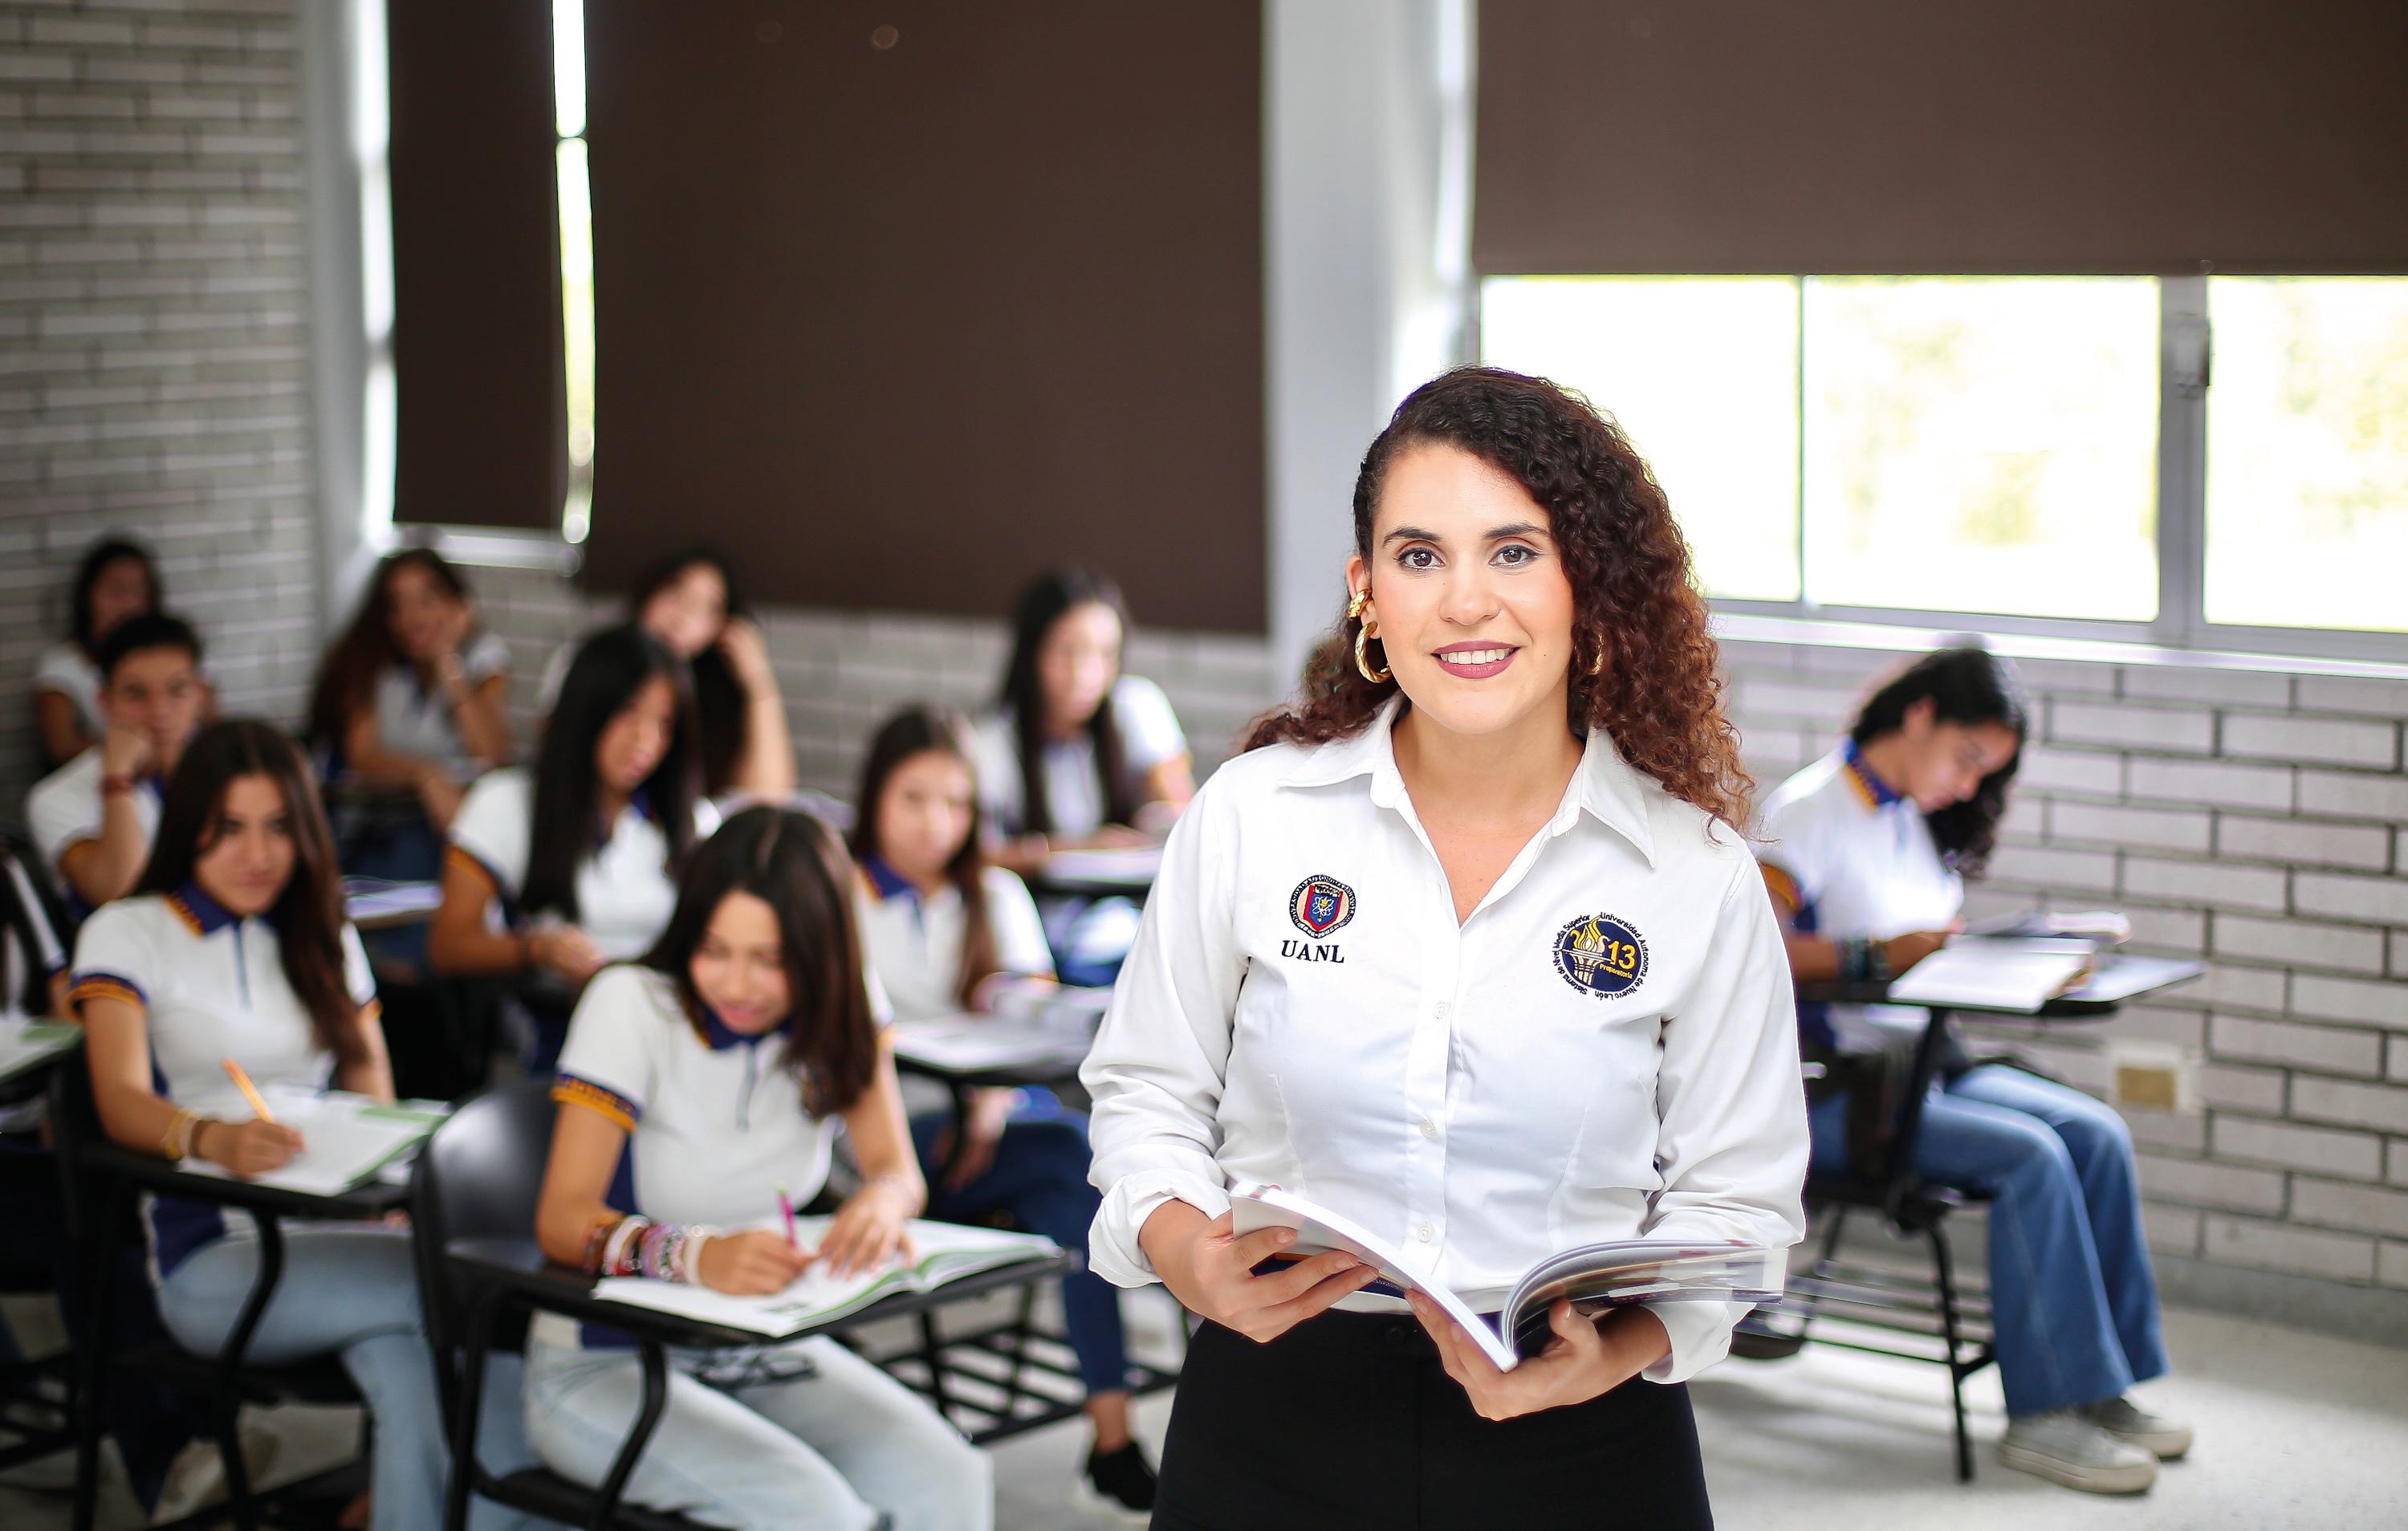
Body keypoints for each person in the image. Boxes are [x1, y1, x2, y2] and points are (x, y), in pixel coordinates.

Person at [1080, 367, 1808, 1529]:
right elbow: (1147, 1089)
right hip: (1269, 1410)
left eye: (1514, 551)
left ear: (1588, 585)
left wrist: (1619, 1349)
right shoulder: (1254, 815)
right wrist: (1179, 1248)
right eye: (1420, 556)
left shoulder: (1697, 876)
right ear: (1367, 592)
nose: (1467, 600)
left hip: (1587, 1431)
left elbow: (1742, 1203)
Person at [67, 719, 534, 1531]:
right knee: (458, 1287)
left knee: (409, 1363)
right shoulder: (127, 930)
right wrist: (211, 1138)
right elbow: (119, 1098)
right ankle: (522, 1516)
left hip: (337, 1238)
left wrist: (388, 1189)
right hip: (215, 1260)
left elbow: (371, 1083)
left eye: (280, 827)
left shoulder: (319, 927)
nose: (258, 854)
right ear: (190, 826)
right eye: (231, 828)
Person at [1755, 645, 2188, 1494]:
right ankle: (2045, 1413)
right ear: (1920, 716)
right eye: (1967, 757)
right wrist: (1877, 953)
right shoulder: (1808, 811)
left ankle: (2103, 1386)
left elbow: (1931, 950)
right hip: (1839, 1092)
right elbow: (1752, 946)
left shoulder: (1909, 819)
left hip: (1926, 1068)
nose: (1967, 784)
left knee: (2097, 1133)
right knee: (2033, 1156)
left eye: (1984, 771)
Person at [527, 805, 991, 1530]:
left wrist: (882, 1198)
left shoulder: (843, 1004)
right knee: (818, 1515)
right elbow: (561, 1220)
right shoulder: (631, 1002)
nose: (738, 985)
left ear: (819, 955)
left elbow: (897, 1170)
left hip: (756, 1344)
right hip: (607, 1362)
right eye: (715, 949)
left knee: (951, 1477)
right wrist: (697, 1254)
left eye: (771, 960)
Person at [848, 706, 1156, 1519]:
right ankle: (1113, 1439)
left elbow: (1030, 1011)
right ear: (874, 796)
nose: (935, 823)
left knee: (1075, 1174)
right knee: (1074, 1156)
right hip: (883, 1145)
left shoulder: (991, 890)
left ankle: (1112, 1432)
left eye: (955, 803)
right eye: (913, 798)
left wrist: (989, 1100)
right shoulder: (841, 893)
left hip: (991, 1132)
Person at [429, 625, 712, 1073]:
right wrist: (536, 949)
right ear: (586, 710)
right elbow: (448, 944)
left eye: (663, 723)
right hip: (553, 1033)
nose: (644, 740)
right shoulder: (507, 802)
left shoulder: (687, 819)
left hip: (667, 1033)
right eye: (628, 713)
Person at [974, 568, 1194, 984]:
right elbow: (976, 856)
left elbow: (1179, 815)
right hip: (1039, 925)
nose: (1084, 674)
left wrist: (1160, 814)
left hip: (1130, 912)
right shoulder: (992, 742)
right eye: (1067, 652)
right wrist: (1077, 847)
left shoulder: (1135, 706)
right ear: (1032, 652)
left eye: (1103, 654)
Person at [542, 549, 797, 801]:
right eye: (677, 591)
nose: (684, 614)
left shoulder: (714, 703)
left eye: (707, 607)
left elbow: (768, 799)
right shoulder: (590, 661)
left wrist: (759, 684)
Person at [307, 547, 513, 837]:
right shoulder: (370, 659)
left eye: (426, 602)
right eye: (397, 606)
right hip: (378, 823)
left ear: (459, 605)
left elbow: (492, 754)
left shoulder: (481, 658)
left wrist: (447, 660)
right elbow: (363, 755)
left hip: (461, 822)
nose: (412, 619)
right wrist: (423, 775)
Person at [27, 613, 209, 911]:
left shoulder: (231, 774)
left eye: (177, 690)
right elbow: (121, 892)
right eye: (136, 694)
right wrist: (117, 779)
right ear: (104, 700)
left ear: (200, 695)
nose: (159, 711)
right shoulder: (55, 798)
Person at [32, 537, 165, 770]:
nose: (128, 605)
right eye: (116, 591)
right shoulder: (61, 666)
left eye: (138, 592)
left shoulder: (171, 655)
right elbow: (62, 748)